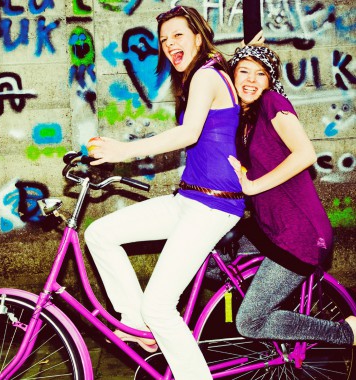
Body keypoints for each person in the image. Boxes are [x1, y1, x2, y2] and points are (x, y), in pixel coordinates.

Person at [85, 6, 247, 379]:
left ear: (197, 36)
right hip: (188, 200)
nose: (170, 44)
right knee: (99, 233)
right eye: (164, 39)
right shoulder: (193, 81)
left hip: (215, 205)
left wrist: (123, 151)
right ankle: (134, 322)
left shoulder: (207, 76)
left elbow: (188, 134)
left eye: (177, 35)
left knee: (160, 306)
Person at [228, 45, 356, 346]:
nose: (251, 80)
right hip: (268, 227)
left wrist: (252, 186)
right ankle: (273, 303)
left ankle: (345, 332)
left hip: (300, 236)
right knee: (209, 257)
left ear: (270, 82)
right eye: (243, 71)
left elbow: (305, 153)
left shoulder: (272, 102)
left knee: (250, 322)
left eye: (261, 74)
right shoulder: (245, 119)